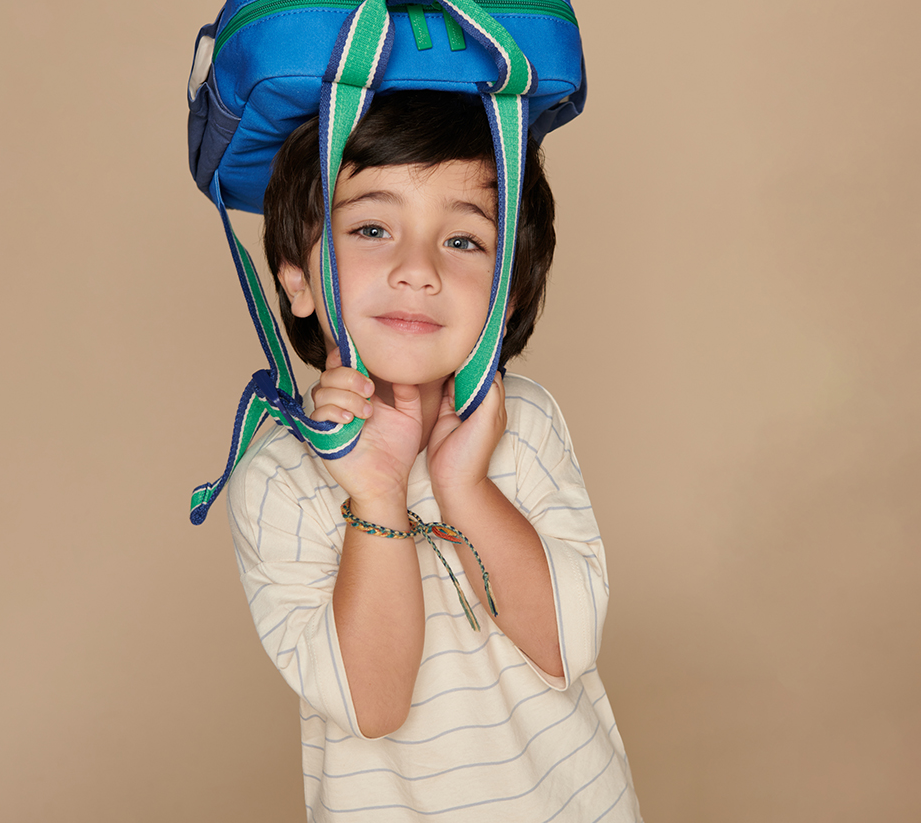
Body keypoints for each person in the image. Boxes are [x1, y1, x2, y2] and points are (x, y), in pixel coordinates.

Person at [228, 91, 642, 822]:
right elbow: (374, 706)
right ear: (296, 277)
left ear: (508, 292)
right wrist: (377, 494)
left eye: (462, 241)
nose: (417, 269)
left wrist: (464, 485)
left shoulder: (523, 423)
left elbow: (565, 648)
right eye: (372, 228)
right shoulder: (279, 480)